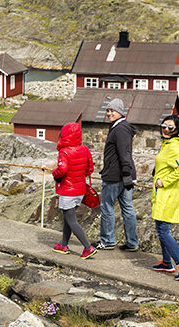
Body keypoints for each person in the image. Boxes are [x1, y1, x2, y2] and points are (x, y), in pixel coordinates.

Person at [151, 115, 179, 281]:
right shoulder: (166, 143)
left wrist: (164, 181)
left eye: (170, 127)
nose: (166, 129)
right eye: (164, 125)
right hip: (163, 193)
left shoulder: (172, 147)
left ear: (177, 130)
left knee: (163, 231)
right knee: (161, 228)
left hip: (167, 193)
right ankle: (166, 263)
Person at [95, 97, 139, 251]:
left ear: (119, 112)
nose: (108, 113)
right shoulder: (123, 127)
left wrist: (126, 172)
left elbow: (124, 153)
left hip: (116, 176)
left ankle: (107, 240)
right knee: (127, 207)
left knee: (107, 206)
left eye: (112, 110)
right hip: (125, 175)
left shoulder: (119, 129)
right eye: (108, 110)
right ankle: (132, 243)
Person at [51, 123, 98, 259]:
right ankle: (64, 245)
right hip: (80, 190)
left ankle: (88, 247)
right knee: (68, 217)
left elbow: (62, 170)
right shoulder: (84, 149)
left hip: (68, 190)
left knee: (71, 220)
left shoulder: (64, 151)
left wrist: (55, 172)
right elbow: (90, 168)